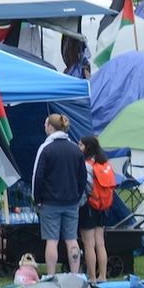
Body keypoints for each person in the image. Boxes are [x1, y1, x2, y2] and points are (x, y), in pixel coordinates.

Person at [30, 114, 89, 277]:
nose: (44, 128)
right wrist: (77, 196)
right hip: (71, 202)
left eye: (45, 125)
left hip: (50, 203)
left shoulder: (46, 148)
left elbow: (37, 176)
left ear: (50, 128)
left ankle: (51, 276)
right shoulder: (75, 150)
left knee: (52, 240)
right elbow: (83, 177)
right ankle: (75, 276)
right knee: (72, 239)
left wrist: (37, 199)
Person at [79, 136, 115, 283]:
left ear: (87, 147)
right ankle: (103, 276)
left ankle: (92, 277)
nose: (78, 147)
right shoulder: (105, 164)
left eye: (80, 145)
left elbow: (85, 186)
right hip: (103, 206)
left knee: (88, 244)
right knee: (100, 243)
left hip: (89, 206)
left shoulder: (86, 165)